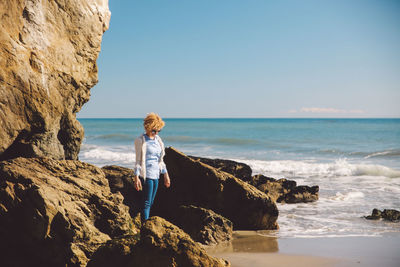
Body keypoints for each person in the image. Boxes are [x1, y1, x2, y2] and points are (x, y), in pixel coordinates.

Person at [133, 113, 170, 222]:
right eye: (154, 130)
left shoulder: (158, 140)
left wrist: (166, 175)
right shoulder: (140, 140)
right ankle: (145, 227)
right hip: (147, 175)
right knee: (146, 203)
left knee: (151, 202)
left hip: (156, 175)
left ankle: (145, 224)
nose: (156, 133)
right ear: (147, 127)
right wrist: (136, 178)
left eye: (158, 130)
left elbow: (160, 160)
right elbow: (138, 161)